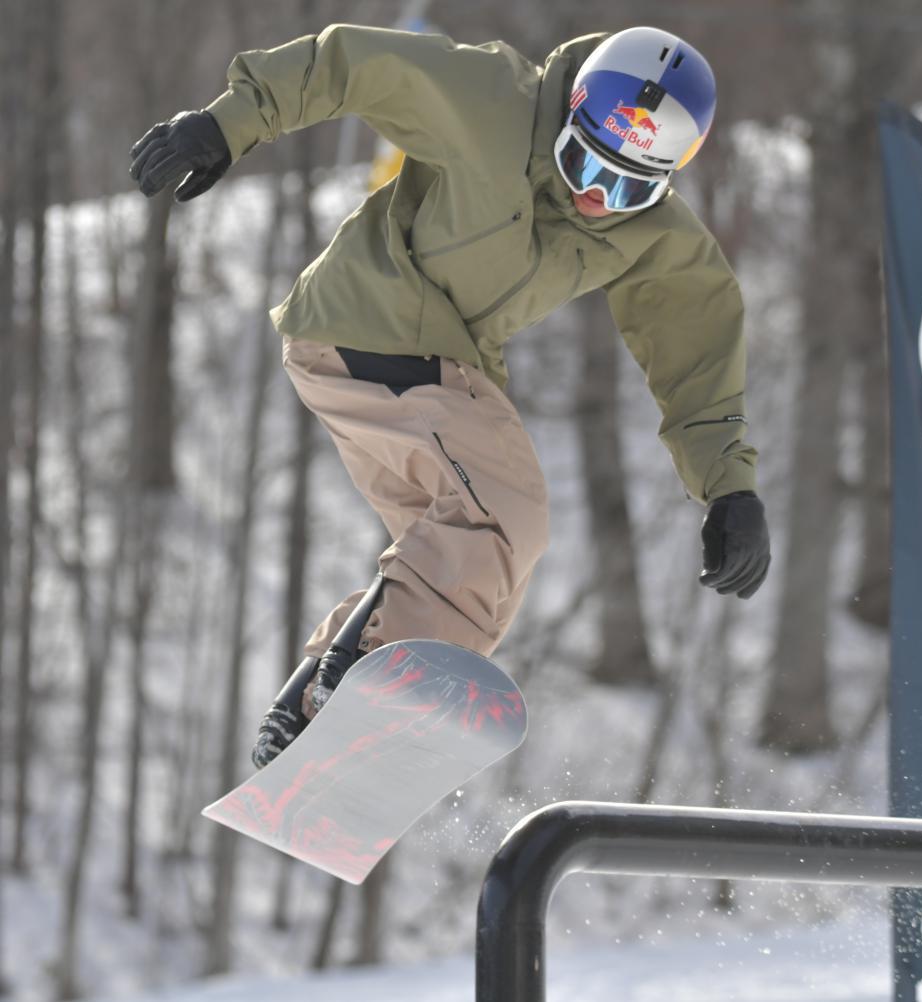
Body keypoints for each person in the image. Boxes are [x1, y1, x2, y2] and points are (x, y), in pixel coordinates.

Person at [129, 24, 771, 765]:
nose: (596, 198)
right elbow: (352, 65)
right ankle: (347, 698)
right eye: (581, 163)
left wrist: (731, 492)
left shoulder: (656, 236)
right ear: (570, 116)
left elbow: (699, 342)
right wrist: (225, 125)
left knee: (475, 573)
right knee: (508, 516)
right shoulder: (493, 98)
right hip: (370, 324)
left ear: (664, 180)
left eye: (627, 187)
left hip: (436, 368)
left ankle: (318, 711)